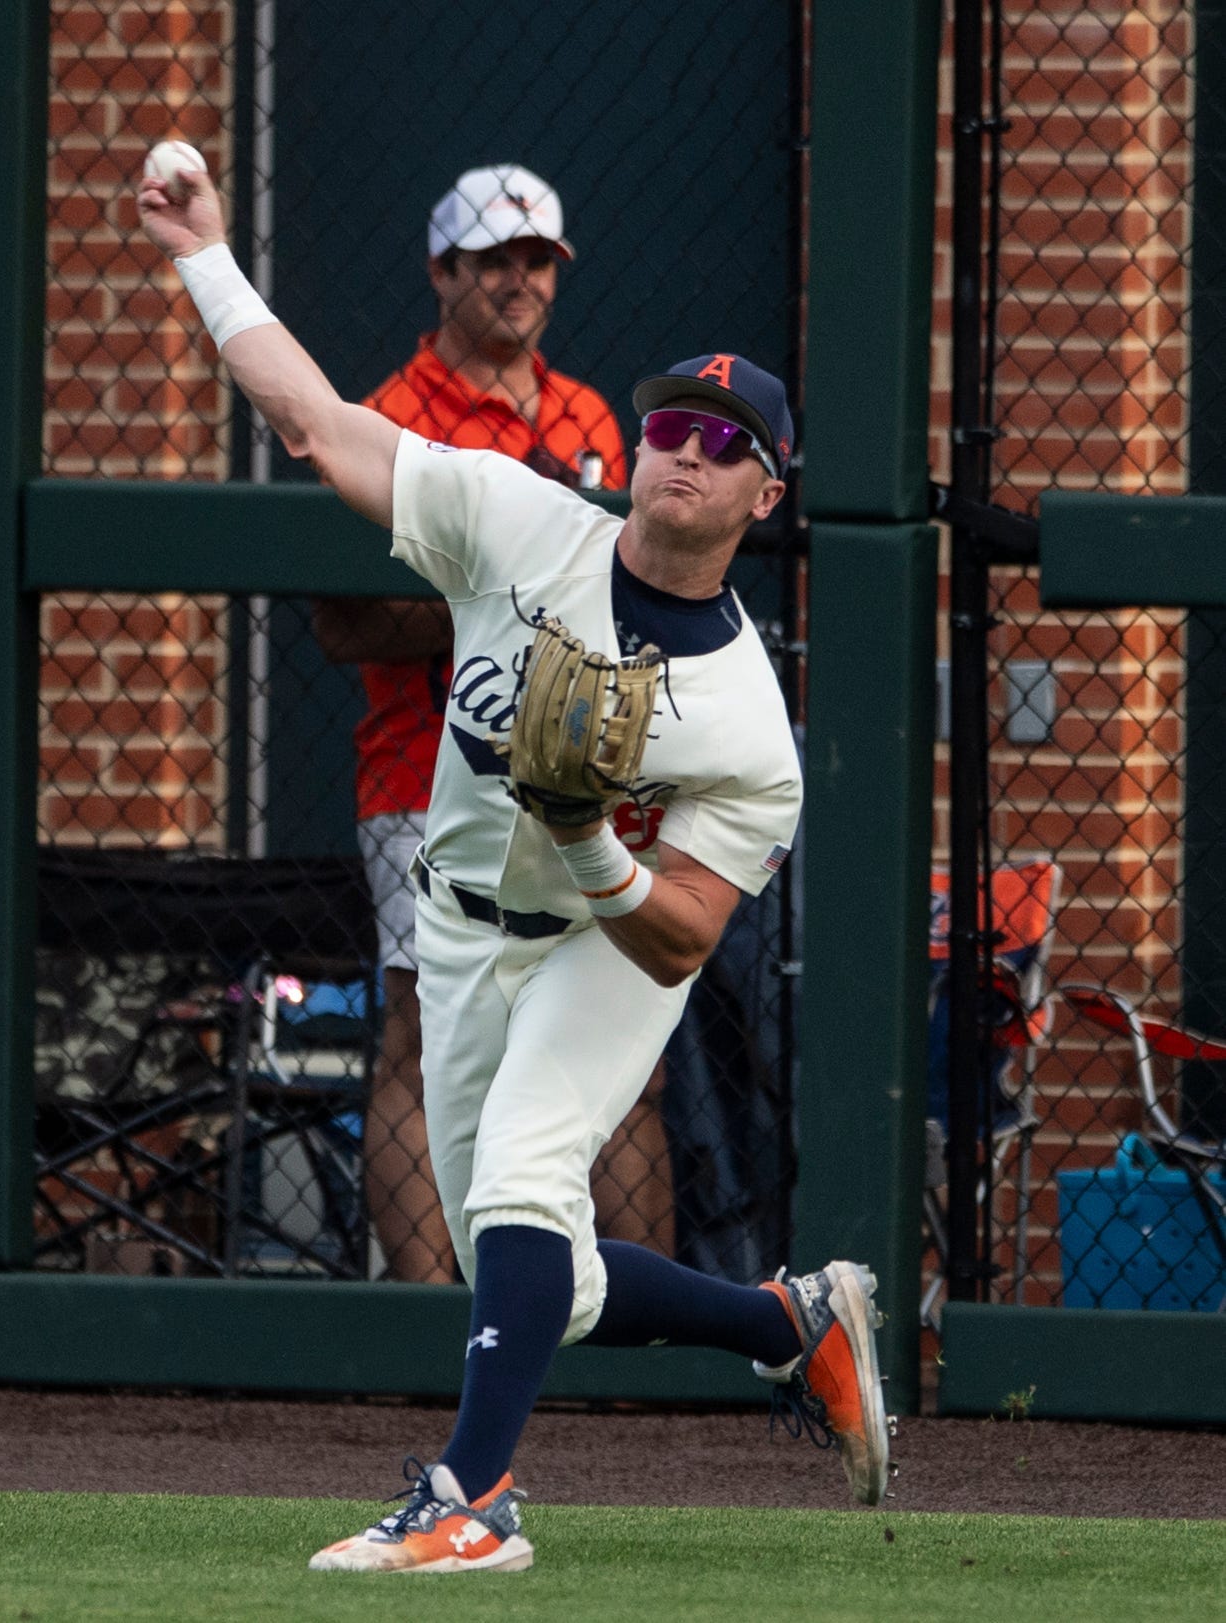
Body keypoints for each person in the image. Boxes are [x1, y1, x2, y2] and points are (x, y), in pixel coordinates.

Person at [137, 153, 884, 1574]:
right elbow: (316, 426)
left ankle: (474, 1494)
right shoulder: (527, 518)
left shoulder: (746, 728)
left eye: (728, 444)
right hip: (460, 924)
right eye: (673, 422)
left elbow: (680, 938)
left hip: (601, 942)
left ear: (766, 497)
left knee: (526, 1181)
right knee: (537, 1270)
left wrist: (590, 833)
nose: (687, 450)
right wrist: (206, 255)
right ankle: (789, 1323)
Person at [308, 165, 673, 1283]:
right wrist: (512, 602)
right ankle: (433, 1324)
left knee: (621, 1049)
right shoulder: (391, 416)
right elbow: (346, 621)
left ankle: (634, 1340)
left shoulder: (589, 417)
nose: (519, 283)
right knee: (424, 1039)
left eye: (537, 262)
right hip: (422, 778)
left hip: (580, 774)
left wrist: (510, 596)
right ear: (442, 272)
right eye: (494, 261)